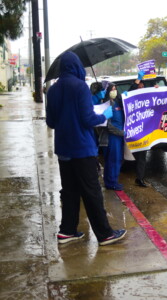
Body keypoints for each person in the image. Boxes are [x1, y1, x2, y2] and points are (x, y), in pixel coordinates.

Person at [46, 51, 126, 246]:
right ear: (76, 67)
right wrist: (104, 114)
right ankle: (105, 234)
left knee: (70, 191)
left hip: (63, 150)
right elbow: (88, 119)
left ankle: (67, 231)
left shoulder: (52, 90)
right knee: (92, 192)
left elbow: (51, 122)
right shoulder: (80, 87)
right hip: (82, 149)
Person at [102, 82, 126, 191]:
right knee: (113, 160)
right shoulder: (107, 105)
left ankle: (111, 180)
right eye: (112, 89)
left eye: (115, 88)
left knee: (118, 159)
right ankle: (111, 183)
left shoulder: (117, 102)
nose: (114, 91)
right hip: (112, 138)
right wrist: (121, 133)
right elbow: (108, 126)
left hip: (119, 137)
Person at [128, 70, 150, 187]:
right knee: (128, 157)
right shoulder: (130, 98)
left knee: (142, 157)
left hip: (144, 132)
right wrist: (137, 80)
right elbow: (131, 90)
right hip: (131, 133)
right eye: (139, 84)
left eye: (142, 85)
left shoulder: (147, 98)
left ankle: (139, 178)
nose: (141, 86)